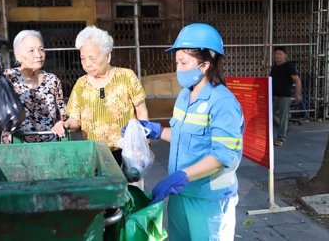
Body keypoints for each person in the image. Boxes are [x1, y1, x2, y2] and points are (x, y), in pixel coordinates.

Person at [123, 23, 244, 240]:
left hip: (209, 199)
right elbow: (182, 135)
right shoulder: (184, 95)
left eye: (183, 62)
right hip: (180, 194)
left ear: (205, 65)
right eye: (177, 62)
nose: (178, 68)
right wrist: (156, 131)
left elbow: (222, 156)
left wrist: (182, 176)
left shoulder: (223, 102)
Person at [51, 25, 149, 166]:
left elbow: (142, 112)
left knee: (129, 187)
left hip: (129, 151)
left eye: (92, 58)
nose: (87, 64)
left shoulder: (127, 77)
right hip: (95, 154)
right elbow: (75, 121)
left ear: (107, 56)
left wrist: (143, 147)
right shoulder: (81, 84)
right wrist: (65, 124)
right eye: (83, 58)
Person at [0, 30, 69, 143]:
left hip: (50, 147)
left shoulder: (52, 80)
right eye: (31, 51)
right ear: (18, 55)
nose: (38, 55)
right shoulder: (7, 77)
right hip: (16, 147)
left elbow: (63, 116)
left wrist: (63, 124)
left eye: (41, 49)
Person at [270, 46, 301, 146]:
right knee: (270, 114)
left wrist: (297, 93)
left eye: (280, 54)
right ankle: (284, 127)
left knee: (283, 116)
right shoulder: (274, 68)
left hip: (285, 95)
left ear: (285, 55)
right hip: (274, 95)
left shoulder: (288, 67)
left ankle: (281, 138)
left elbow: (297, 80)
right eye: (276, 54)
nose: (277, 56)